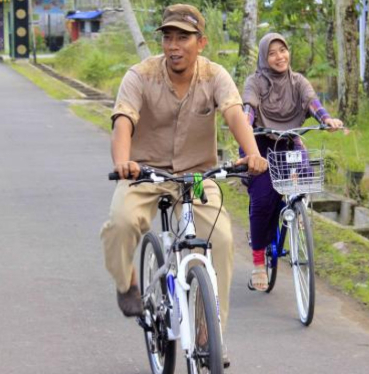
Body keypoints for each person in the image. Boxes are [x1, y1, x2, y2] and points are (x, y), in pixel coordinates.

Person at [100, 3, 267, 332]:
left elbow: (234, 112)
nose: (174, 46)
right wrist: (123, 163)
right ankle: (126, 282)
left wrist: (253, 153)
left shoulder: (214, 75)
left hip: (196, 178)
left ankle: (210, 334)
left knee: (220, 239)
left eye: (183, 38)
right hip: (145, 173)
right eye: (168, 38)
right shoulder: (141, 75)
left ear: (201, 42)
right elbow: (123, 121)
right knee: (120, 223)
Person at [241, 33, 343, 291]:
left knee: (305, 175)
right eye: (272, 53)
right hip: (260, 143)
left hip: (289, 140)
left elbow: (312, 103)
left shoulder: (298, 81)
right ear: (265, 57)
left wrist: (326, 120)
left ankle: (297, 213)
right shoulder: (255, 82)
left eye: (283, 50)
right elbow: (248, 108)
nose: (279, 57)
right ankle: (257, 262)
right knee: (264, 198)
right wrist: (243, 125)